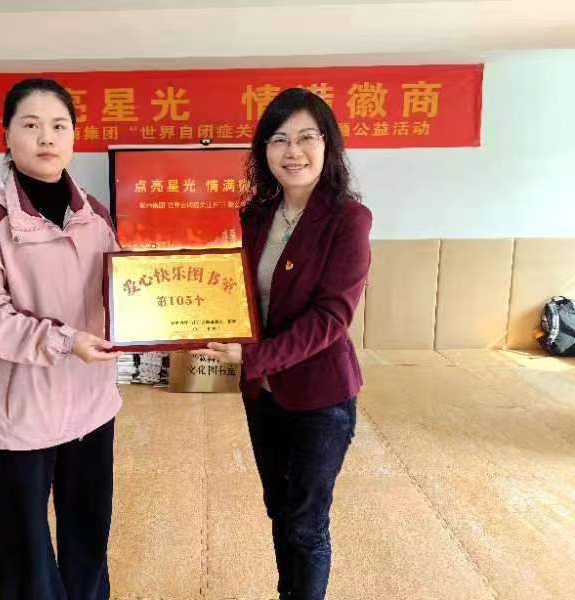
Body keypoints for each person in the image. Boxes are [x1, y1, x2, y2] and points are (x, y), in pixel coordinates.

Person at [194, 87, 372, 600]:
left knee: (307, 523)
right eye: (279, 139)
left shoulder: (348, 220)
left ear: (327, 145)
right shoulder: (256, 215)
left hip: (321, 397)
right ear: (264, 151)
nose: (293, 151)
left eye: (305, 137)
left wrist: (254, 356)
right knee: (278, 508)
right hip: (264, 394)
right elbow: (241, 297)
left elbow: (331, 318)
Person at [0, 78, 122, 600]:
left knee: (88, 534)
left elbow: (120, 292)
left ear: (73, 137)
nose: (46, 137)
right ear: (7, 134)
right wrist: (66, 341)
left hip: (92, 404)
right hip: (22, 412)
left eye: (58, 126)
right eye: (31, 125)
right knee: (26, 550)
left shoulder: (95, 213)